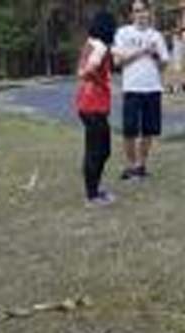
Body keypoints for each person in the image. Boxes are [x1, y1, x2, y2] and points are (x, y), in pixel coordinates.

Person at [113, 0, 170, 180]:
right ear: (132, 14)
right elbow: (118, 61)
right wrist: (142, 50)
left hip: (152, 88)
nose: (141, 14)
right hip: (132, 88)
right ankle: (130, 166)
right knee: (129, 130)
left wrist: (155, 55)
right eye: (137, 11)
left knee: (148, 131)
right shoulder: (123, 33)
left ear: (149, 12)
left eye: (144, 10)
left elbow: (163, 64)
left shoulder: (157, 36)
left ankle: (141, 165)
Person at [75, 11, 117, 207]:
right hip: (93, 105)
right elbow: (88, 69)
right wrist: (97, 78)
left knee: (101, 150)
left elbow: (82, 69)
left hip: (88, 104)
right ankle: (92, 196)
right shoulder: (99, 46)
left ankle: (95, 191)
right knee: (97, 150)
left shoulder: (90, 43)